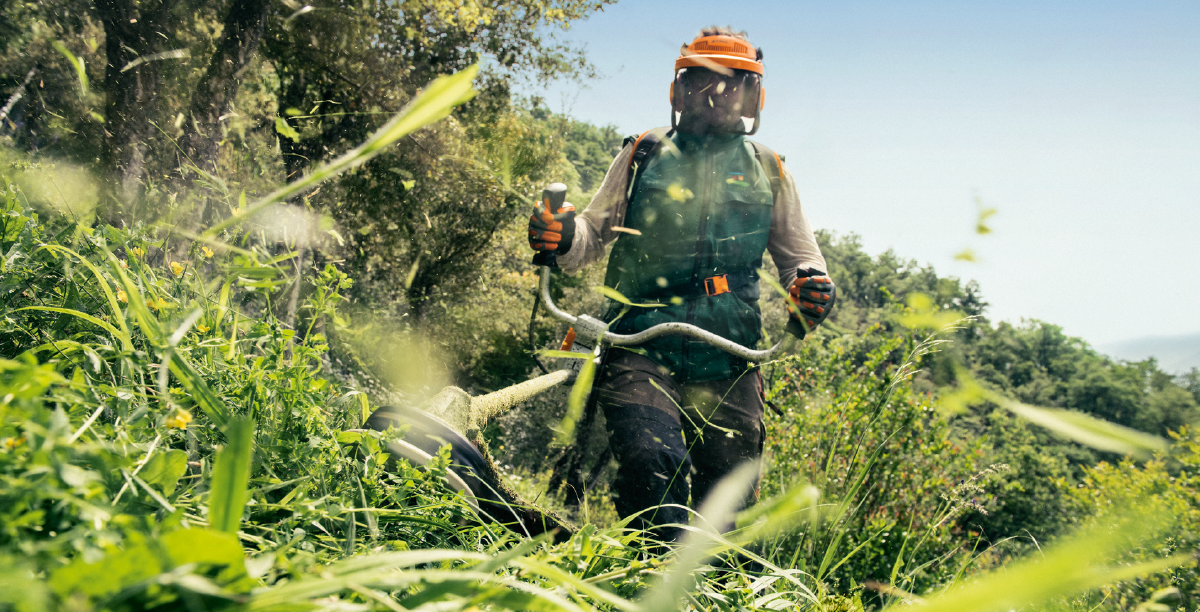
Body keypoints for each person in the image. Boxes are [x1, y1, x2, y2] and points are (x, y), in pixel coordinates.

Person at [527, 26, 836, 541]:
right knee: (652, 463)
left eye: (731, 83)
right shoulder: (643, 154)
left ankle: (706, 591)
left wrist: (811, 290)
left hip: (729, 355)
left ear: (752, 95)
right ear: (679, 89)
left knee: (726, 502)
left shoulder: (770, 170)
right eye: (700, 81)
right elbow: (588, 236)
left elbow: (803, 260)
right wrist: (559, 235)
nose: (714, 95)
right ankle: (649, 581)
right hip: (639, 341)